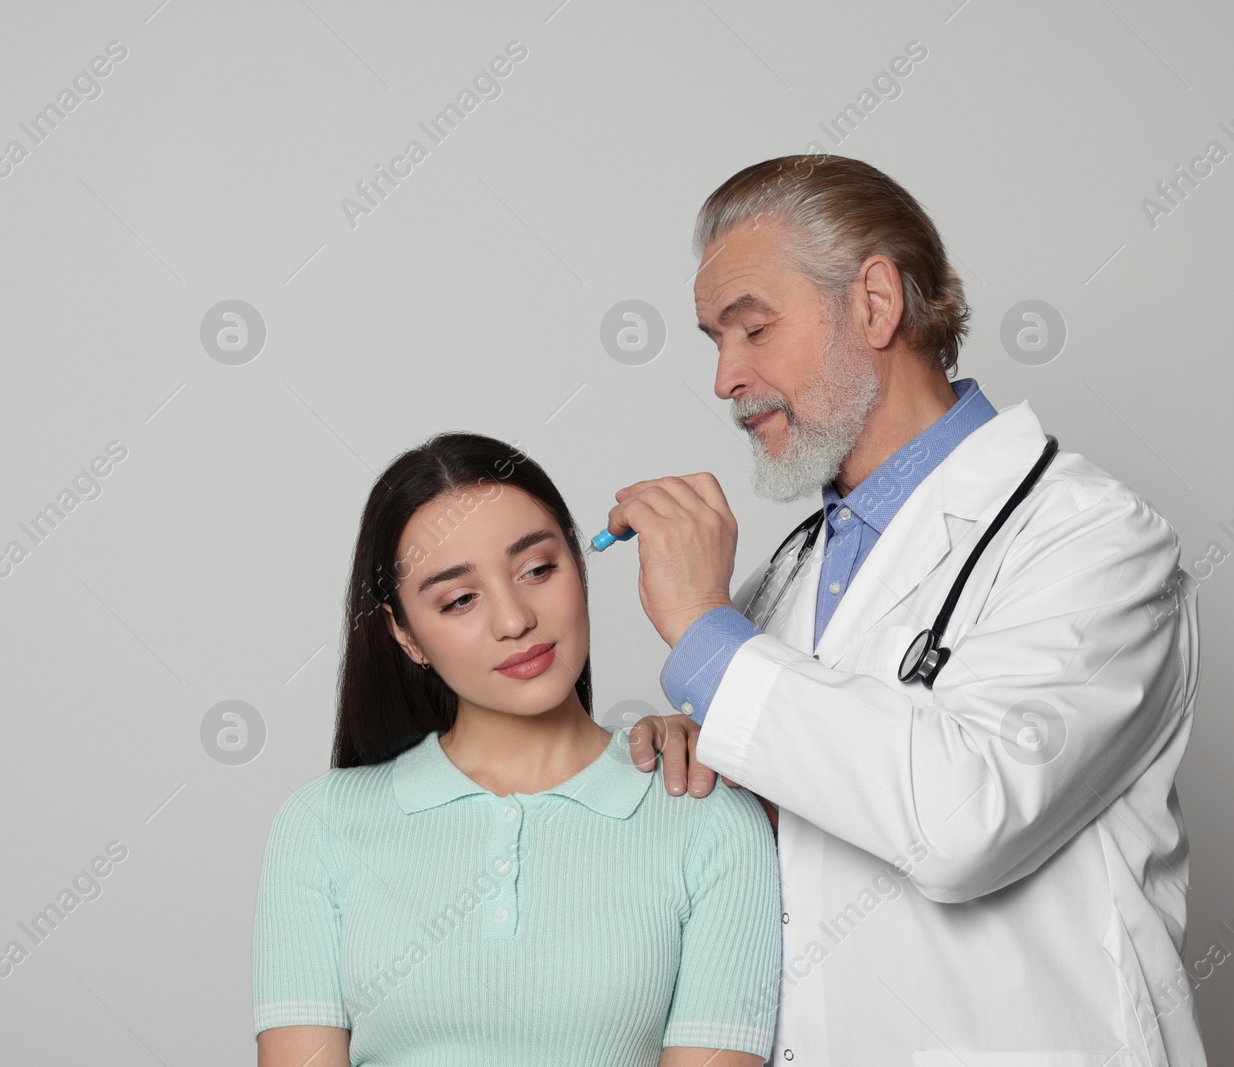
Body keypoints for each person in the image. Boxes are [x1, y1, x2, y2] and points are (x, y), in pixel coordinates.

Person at [604, 154, 1205, 1064]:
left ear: (875, 303)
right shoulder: (792, 573)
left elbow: (965, 822)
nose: (725, 379)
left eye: (752, 329)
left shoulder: (1095, 541)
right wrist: (702, 758)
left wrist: (706, 636)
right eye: (713, 340)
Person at [251, 432, 783, 1066]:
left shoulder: (708, 816)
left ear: (579, 568)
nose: (513, 620)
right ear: (405, 634)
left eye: (537, 569)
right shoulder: (320, 824)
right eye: (459, 600)